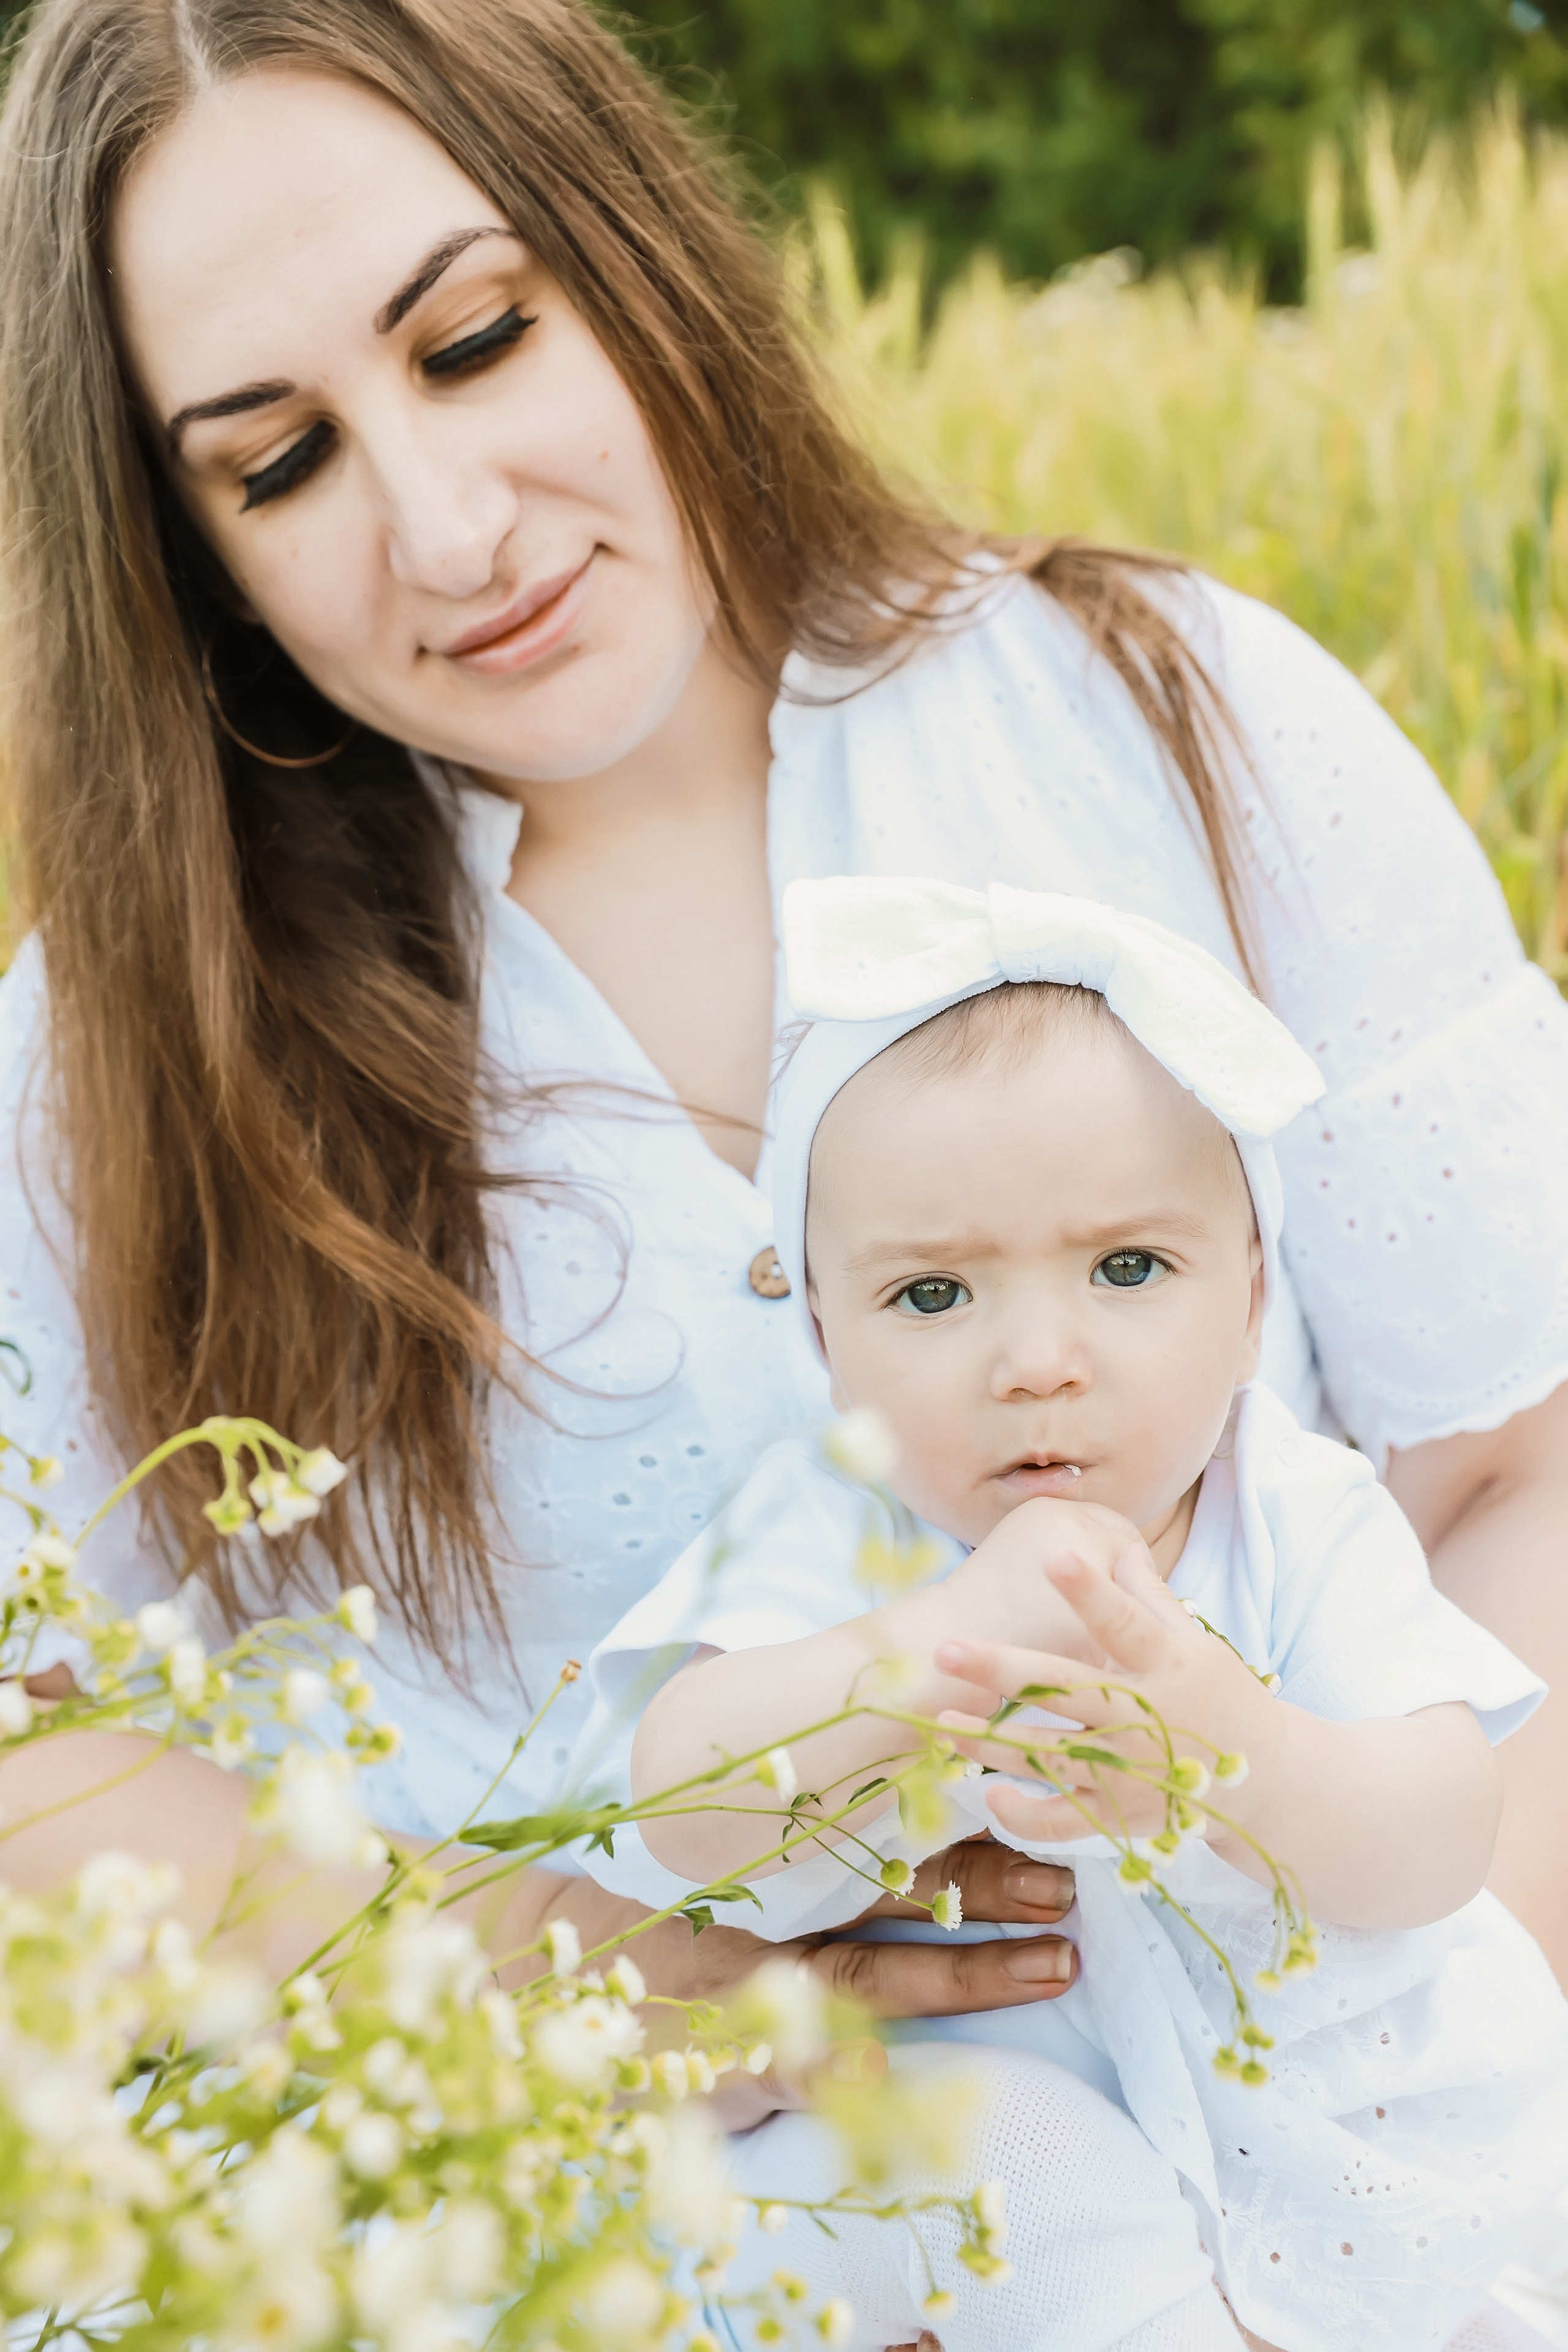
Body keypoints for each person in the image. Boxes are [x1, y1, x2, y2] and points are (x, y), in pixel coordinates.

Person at [0, 0, 1564, 2337]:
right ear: (189, 549)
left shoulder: (1177, 725)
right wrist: (519, 1981)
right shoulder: (100, 1056)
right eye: (280, 463)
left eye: (478, 335)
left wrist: (1400, 2066)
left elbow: (1522, 1445)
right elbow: (34, 1742)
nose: (448, 526)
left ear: (637, 252)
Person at [581, 878, 1568, 2351]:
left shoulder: (1287, 1511)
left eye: (1124, 1269)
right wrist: (919, 1656)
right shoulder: (824, 1526)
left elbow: (1438, 1835)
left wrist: (1235, 1749)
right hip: (931, 2149)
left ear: (1247, 1306)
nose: (1035, 1359)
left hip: (1309, 2142)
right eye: (930, 1297)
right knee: (1010, 2163)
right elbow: (678, 1802)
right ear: (822, 1341)